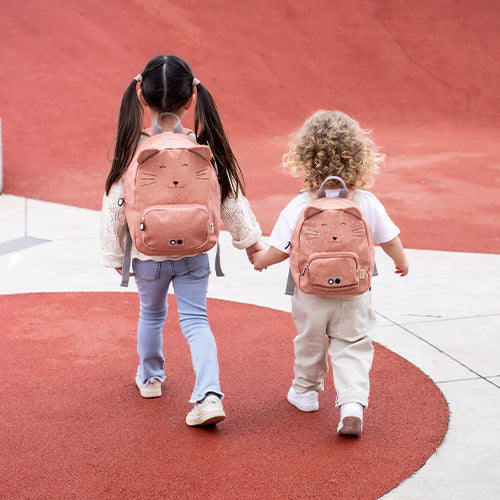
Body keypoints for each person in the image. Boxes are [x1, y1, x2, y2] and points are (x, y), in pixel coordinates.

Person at [100, 55, 263, 427]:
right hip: (194, 253)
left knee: (152, 315)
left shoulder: (133, 149)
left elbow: (114, 203)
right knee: (196, 320)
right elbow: (230, 198)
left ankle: (151, 377)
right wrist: (250, 242)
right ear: (192, 98)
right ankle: (208, 393)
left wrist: (113, 254)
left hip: (147, 254)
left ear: (141, 98)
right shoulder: (201, 148)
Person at [252, 110, 409, 436]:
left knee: (309, 340)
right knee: (352, 344)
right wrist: (401, 260)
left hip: (309, 293)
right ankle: (352, 403)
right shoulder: (366, 201)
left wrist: (260, 260)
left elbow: (280, 250)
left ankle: (305, 392)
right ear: (359, 157)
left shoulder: (299, 205)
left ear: (304, 157)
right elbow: (389, 238)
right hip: (355, 291)